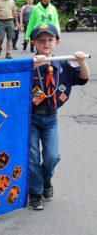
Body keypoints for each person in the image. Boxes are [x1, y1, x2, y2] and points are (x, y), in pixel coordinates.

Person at [29, 23, 90, 210]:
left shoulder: (63, 64)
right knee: (31, 157)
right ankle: (35, 192)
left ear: (57, 42)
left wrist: (81, 61)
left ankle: (46, 179)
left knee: (52, 156)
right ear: (34, 43)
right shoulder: (29, 66)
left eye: (50, 40)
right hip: (30, 118)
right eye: (41, 41)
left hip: (50, 118)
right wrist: (34, 66)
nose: (46, 44)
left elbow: (83, 78)